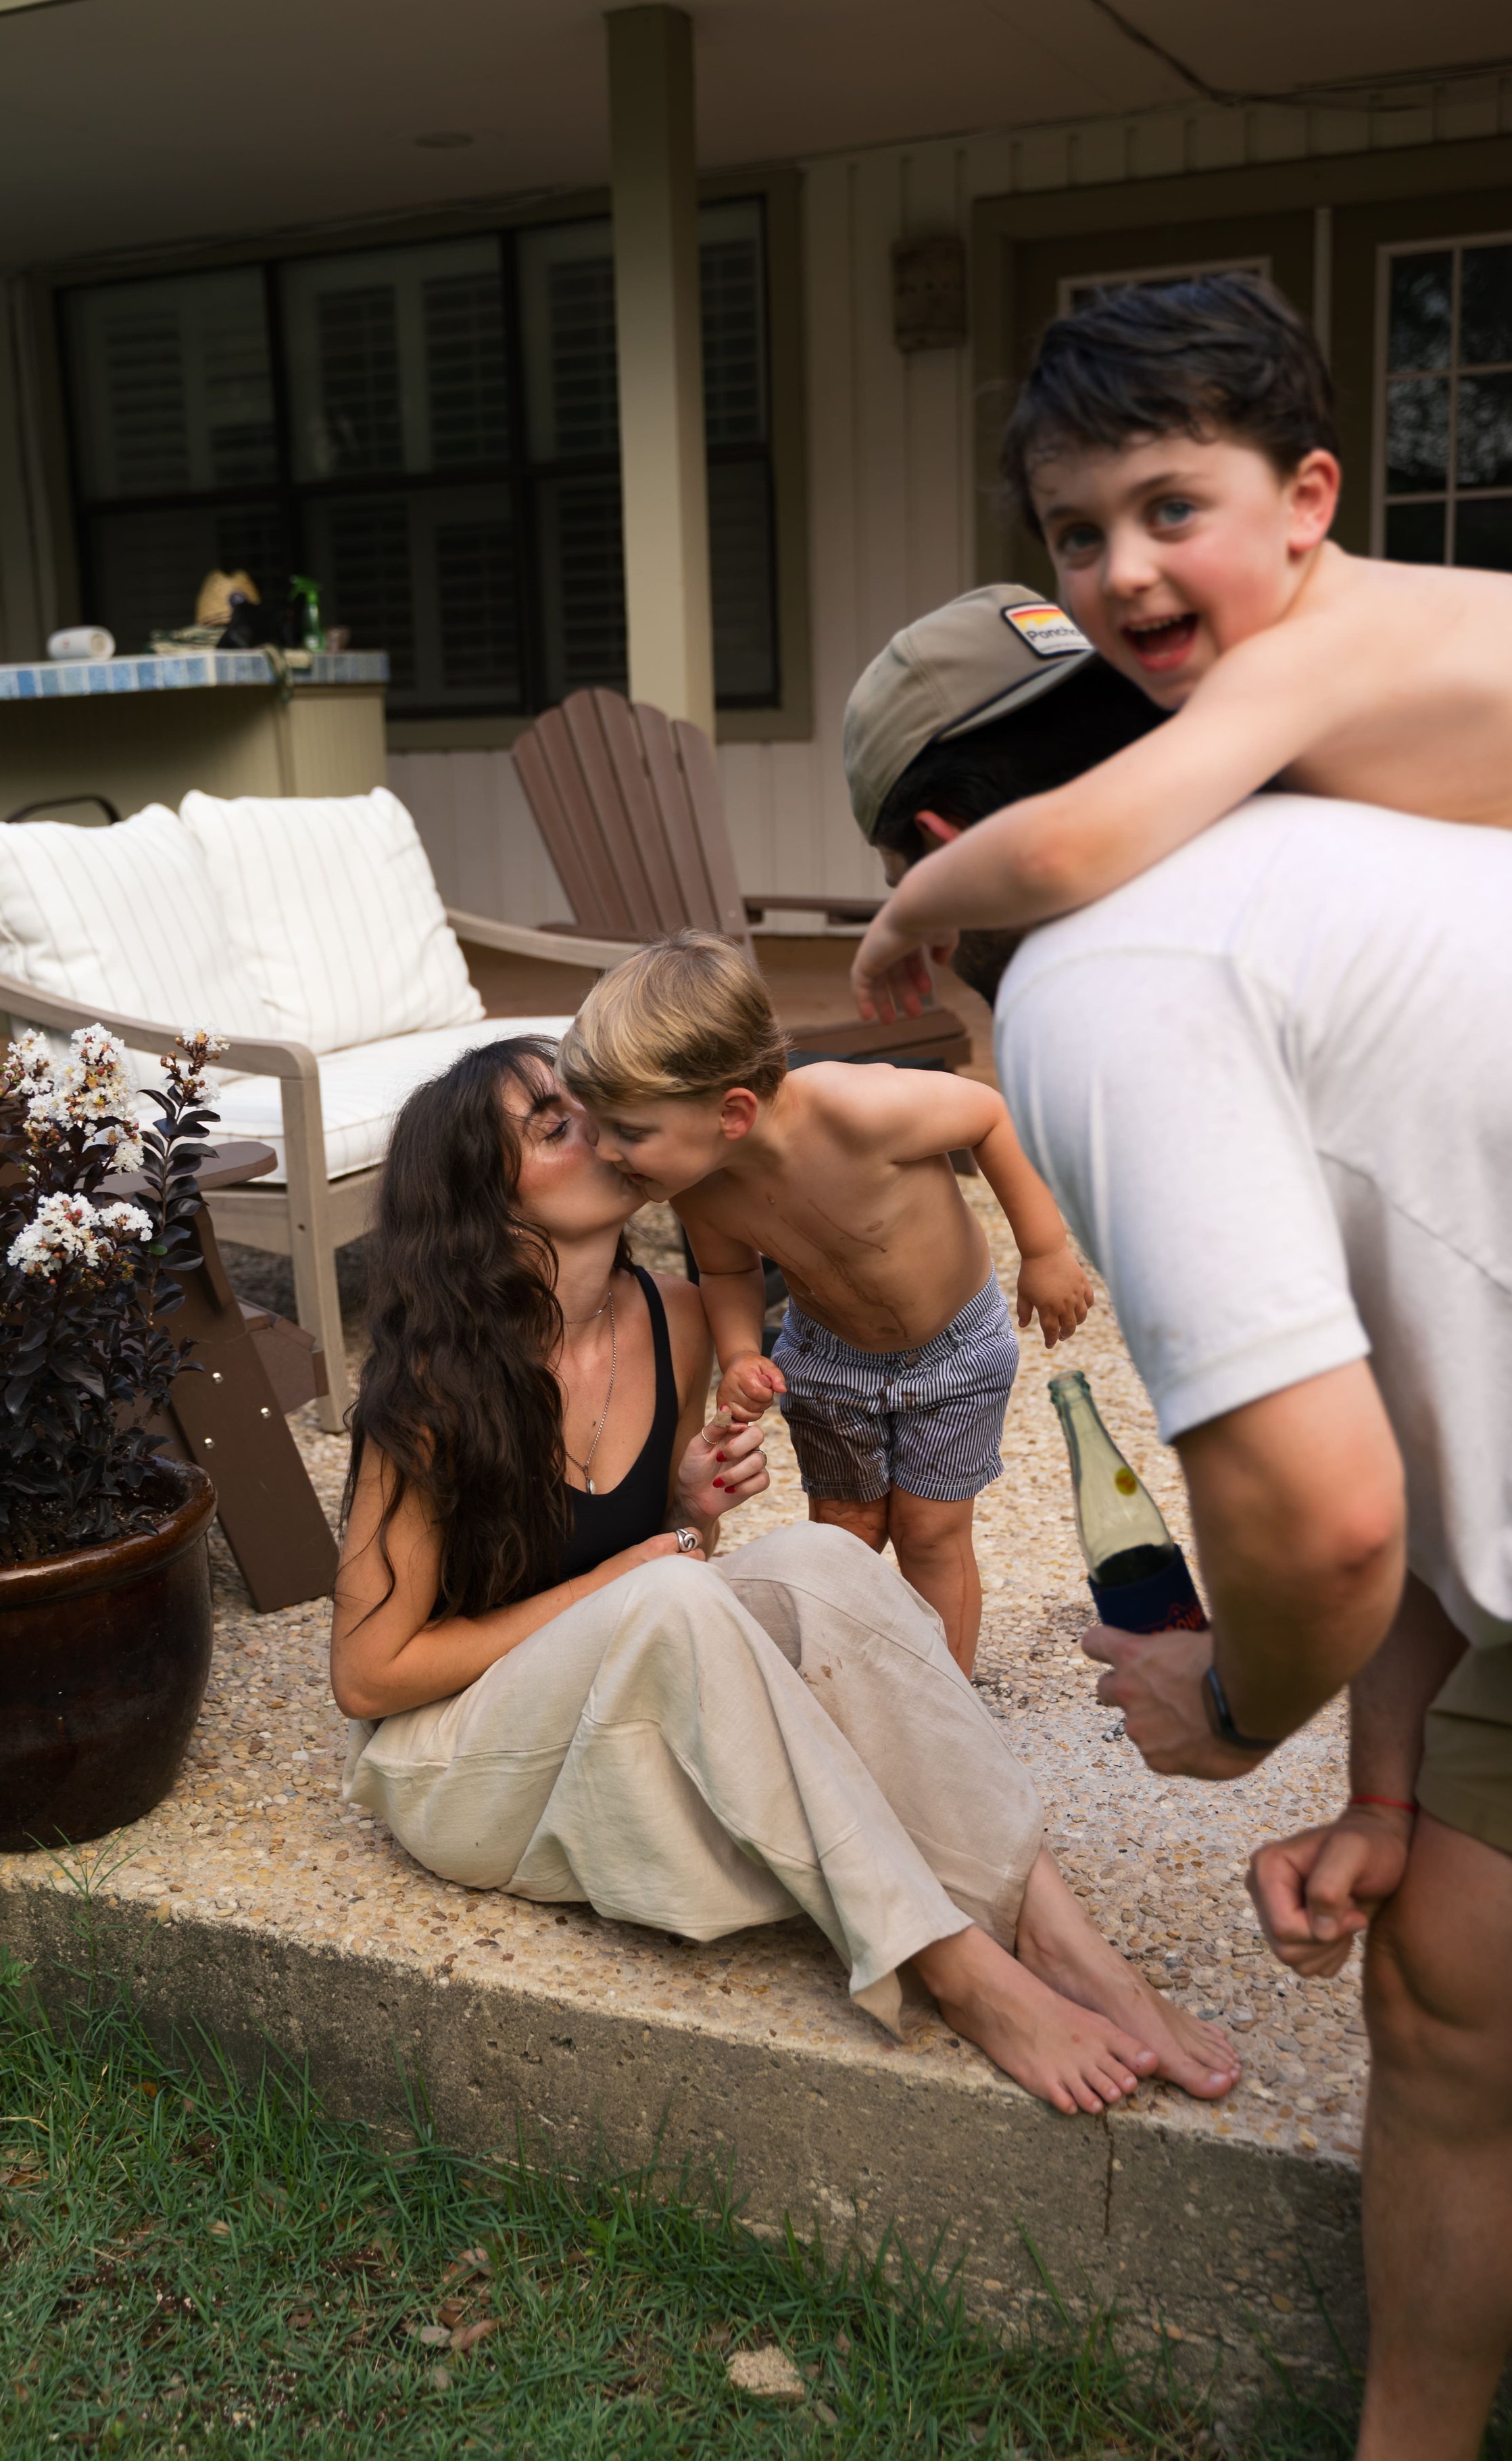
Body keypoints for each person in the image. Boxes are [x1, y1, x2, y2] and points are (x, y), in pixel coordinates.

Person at [839, 598, 1512, 2461]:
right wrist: (1383, 1794)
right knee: (1452, 1982)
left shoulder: (1100, 980)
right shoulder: (1373, 857)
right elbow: (1417, 1406)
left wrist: (1231, 1712)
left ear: (931, 850)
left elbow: (1325, 1517)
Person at [330, 1034, 1239, 2116]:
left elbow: (660, 1620)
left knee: (820, 1558)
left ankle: (1063, 1939)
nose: (602, 1130)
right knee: (671, 1593)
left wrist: (689, 1515)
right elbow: (370, 1676)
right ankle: (953, 1966)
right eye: (555, 1125)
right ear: (488, 1197)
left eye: (595, 1104)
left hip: (589, 1728)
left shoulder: (672, 1319)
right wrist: (635, 1571)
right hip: (457, 1766)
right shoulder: (433, 1385)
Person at [850, 272, 1512, 1015]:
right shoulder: (1366, 623)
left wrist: (913, 908)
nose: (1125, 572)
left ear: (1305, 500)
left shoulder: (1297, 660)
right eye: (1080, 535)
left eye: (1172, 510)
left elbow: (1056, 849)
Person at [556, 935, 1092, 1676]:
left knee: (930, 1531)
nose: (606, 1151)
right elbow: (728, 1270)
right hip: (828, 1354)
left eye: (629, 1131)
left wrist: (1045, 1249)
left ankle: (949, 1699)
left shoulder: (859, 1110)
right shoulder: (698, 1186)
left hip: (954, 1348)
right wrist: (740, 1352)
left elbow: (988, 1116)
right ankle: (852, 1684)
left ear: (732, 1111)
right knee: (842, 1530)